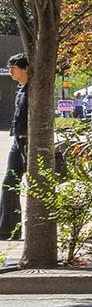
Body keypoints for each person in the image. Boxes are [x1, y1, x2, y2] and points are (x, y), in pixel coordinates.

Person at [2, 53, 27, 244]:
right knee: (9, 184)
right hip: (16, 142)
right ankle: (7, 229)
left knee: (37, 187)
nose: (11, 71)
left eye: (14, 68)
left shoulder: (34, 90)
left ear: (24, 68)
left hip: (30, 142)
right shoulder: (20, 89)